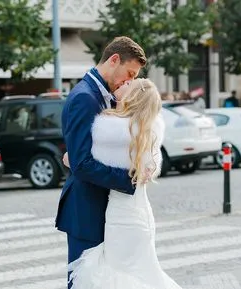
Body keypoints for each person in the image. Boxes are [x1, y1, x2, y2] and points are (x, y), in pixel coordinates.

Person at [67, 78, 182, 289]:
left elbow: (83, 162)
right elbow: (150, 168)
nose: (125, 82)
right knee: (142, 273)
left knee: (123, 275)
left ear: (133, 97)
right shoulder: (147, 130)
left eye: (130, 84)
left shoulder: (111, 131)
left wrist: (70, 159)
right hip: (140, 212)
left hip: (122, 215)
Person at [55, 36, 147, 289]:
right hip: (86, 208)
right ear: (114, 59)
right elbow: (82, 163)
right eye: (128, 73)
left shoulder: (106, 96)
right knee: (84, 280)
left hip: (105, 207)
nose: (128, 81)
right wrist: (130, 179)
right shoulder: (85, 97)